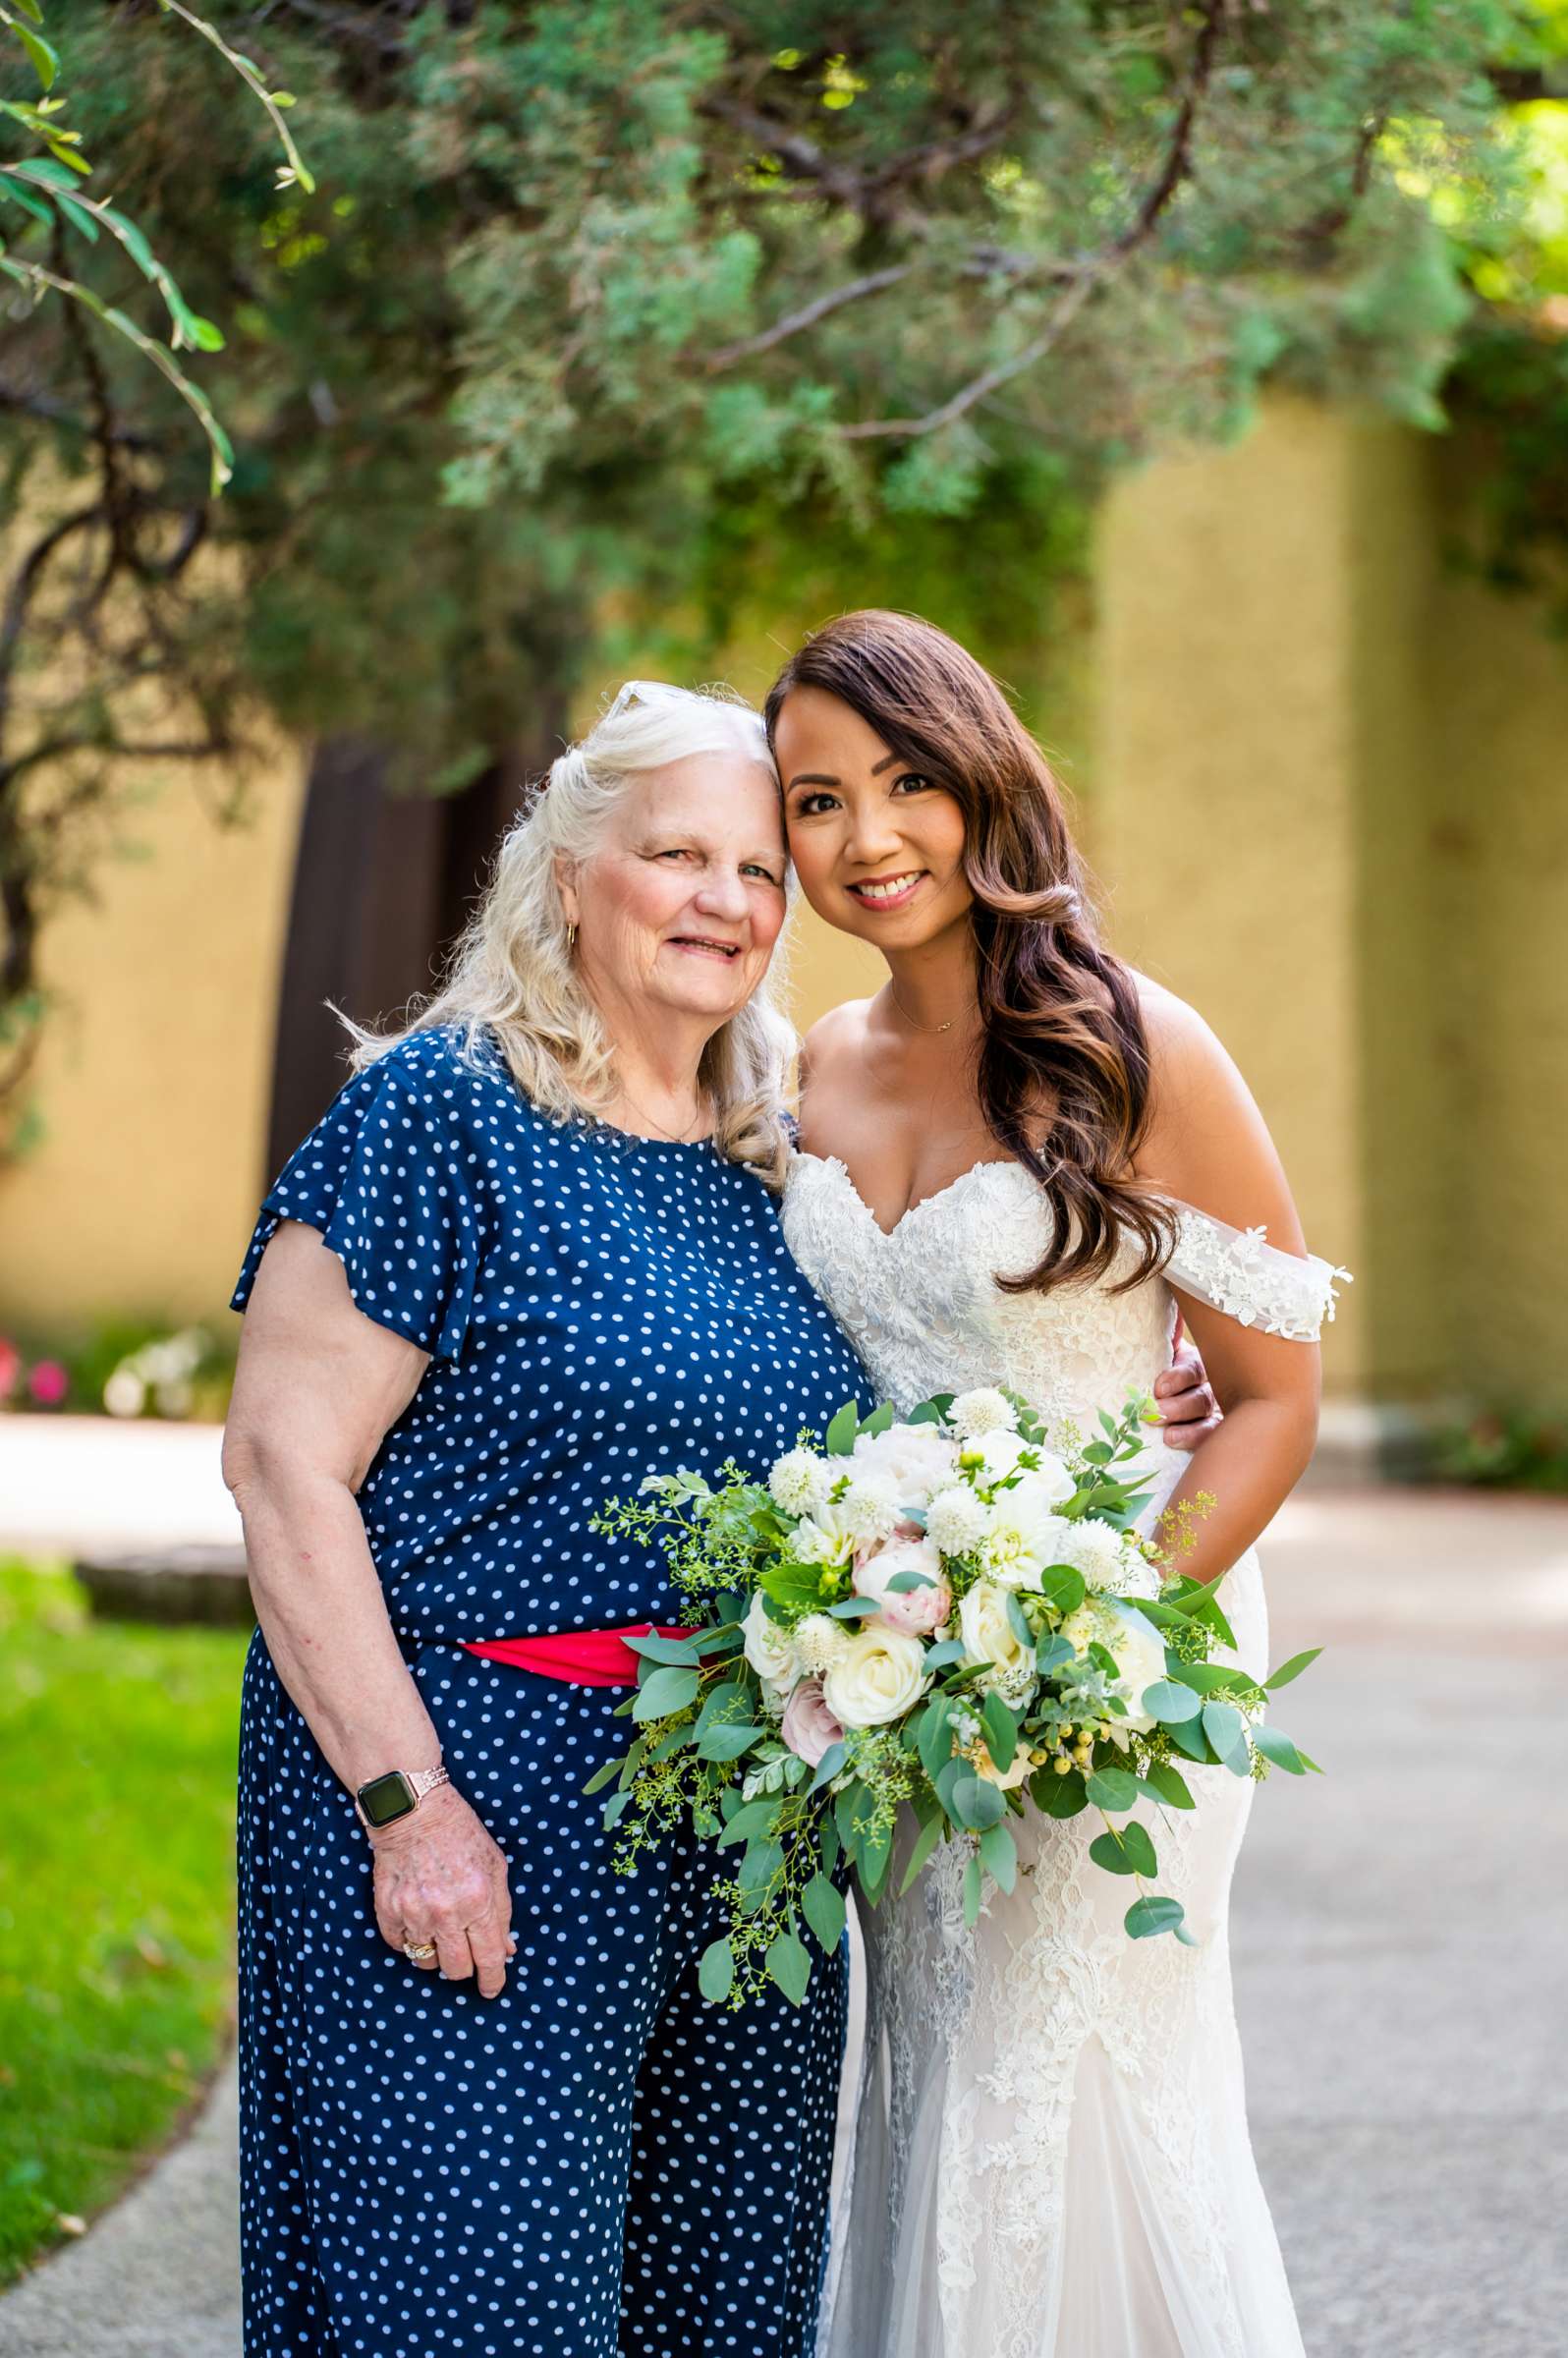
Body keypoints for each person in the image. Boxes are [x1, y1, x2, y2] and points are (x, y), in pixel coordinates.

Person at [221, 683, 873, 2358]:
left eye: (756, 867)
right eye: (678, 854)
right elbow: (285, 1468)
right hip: (475, 1802)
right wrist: (406, 1805)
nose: (726, 900)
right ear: (571, 869)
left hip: (743, 1841)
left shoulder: (781, 1152)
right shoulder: (442, 1112)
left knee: (718, 2311)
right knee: (478, 2307)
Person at [765, 611, 1346, 2358]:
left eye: (907, 781)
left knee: (1062, 2079)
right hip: (890, 1680)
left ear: (981, 779)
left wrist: (1096, 1645)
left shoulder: (1135, 1043)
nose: (868, 838)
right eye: (815, 801)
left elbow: (1270, 1397)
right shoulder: (797, 1073)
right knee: (937, 2072)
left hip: (1122, 1680)